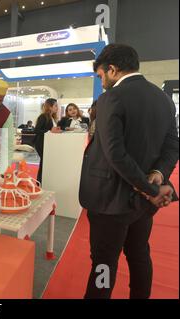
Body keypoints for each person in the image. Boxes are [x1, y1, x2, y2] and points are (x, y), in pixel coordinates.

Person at [79, 44, 179, 299]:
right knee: (139, 255)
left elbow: (115, 154)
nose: (101, 83)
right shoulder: (163, 99)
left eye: (101, 76)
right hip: (142, 206)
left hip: (110, 201)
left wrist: (150, 189)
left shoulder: (111, 98)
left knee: (103, 263)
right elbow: (172, 145)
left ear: (112, 69)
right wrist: (158, 173)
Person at [34, 98, 61, 183]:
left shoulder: (52, 117)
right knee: (44, 163)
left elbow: (51, 129)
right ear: (50, 106)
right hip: (41, 143)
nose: (57, 108)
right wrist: (50, 131)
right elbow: (36, 130)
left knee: (45, 163)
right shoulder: (43, 116)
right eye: (55, 106)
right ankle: (40, 182)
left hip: (48, 144)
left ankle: (42, 181)